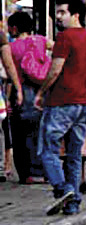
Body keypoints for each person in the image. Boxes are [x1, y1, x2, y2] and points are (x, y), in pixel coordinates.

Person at [36, 0, 86, 216]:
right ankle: (73, 202)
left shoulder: (65, 38)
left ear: (75, 15)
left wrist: (41, 92)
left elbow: (56, 69)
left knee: (48, 148)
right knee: (74, 154)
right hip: (84, 104)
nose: (58, 17)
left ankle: (62, 188)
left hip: (61, 101)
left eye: (62, 12)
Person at [6, 12, 42, 183]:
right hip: (39, 89)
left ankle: (26, 172)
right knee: (37, 131)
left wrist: (9, 97)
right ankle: (39, 171)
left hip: (19, 90)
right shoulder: (40, 41)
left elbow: (9, 74)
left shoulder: (11, 47)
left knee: (19, 133)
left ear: (14, 28)